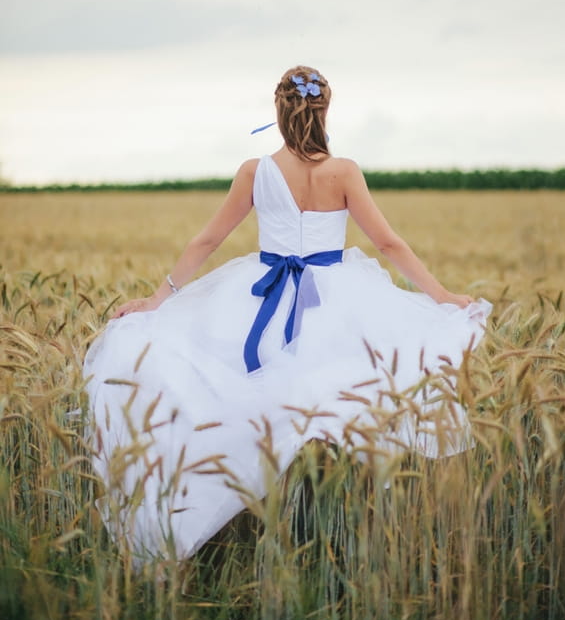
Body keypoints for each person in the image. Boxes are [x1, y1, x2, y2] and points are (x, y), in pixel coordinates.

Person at [84, 66, 491, 563]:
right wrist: (442, 295)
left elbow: (208, 240)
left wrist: (157, 299)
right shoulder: (344, 171)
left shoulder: (255, 172)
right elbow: (387, 243)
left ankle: (257, 517)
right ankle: (331, 528)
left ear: (278, 112)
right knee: (339, 403)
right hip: (337, 301)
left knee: (244, 402)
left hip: (258, 298)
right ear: (324, 111)